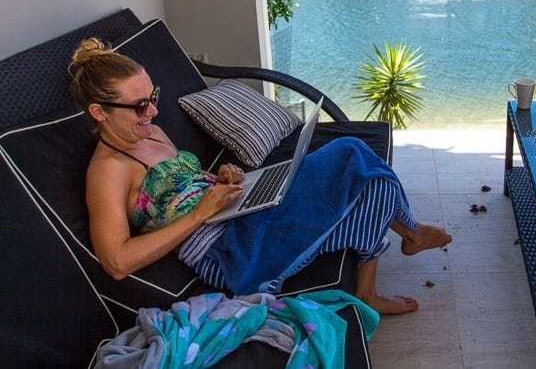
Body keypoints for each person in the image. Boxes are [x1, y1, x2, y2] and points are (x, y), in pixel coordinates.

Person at [69, 38, 452, 315]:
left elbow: (181, 183)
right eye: (139, 106)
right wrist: (200, 213)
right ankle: (409, 235)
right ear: (100, 112)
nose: (152, 112)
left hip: (239, 212)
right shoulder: (107, 171)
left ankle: (378, 275)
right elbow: (116, 261)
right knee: (355, 163)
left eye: (153, 97)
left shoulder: (150, 131)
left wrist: (219, 177)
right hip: (230, 253)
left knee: (359, 164)